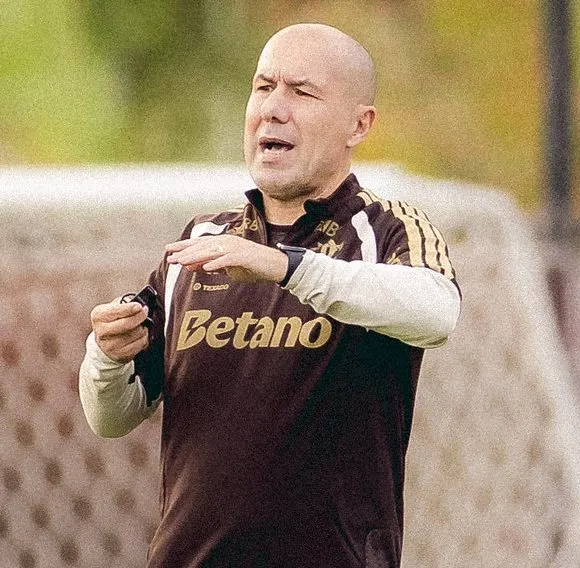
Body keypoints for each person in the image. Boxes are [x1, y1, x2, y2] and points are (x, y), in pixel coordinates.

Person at [78, 23, 460, 568]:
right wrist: (106, 358)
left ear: (359, 124)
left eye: (302, 92)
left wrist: (289, 268)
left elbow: (436, 311)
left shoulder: (387, 230)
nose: (274, 109)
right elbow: (111, 416)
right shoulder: (201, 242)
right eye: (263, 87)